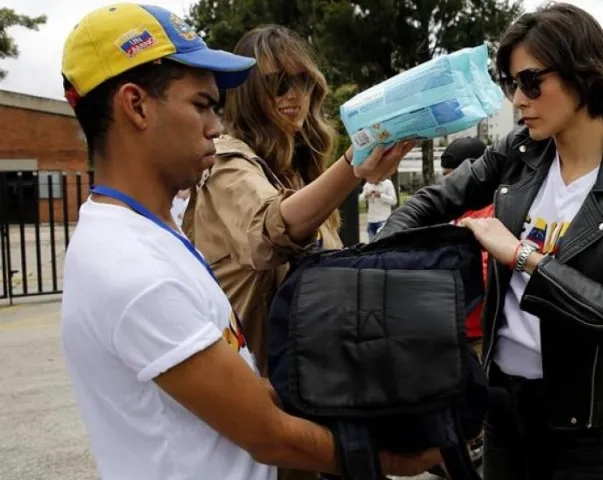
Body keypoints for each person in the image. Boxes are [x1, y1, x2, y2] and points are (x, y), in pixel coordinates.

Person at [58, 4, 437, 480]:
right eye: (201, 106)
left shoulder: (150, 235)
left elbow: (251, 391)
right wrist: (396, 460)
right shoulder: (131, 269)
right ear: (136, 106)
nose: (216, 127)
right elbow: (267, 432)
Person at [377, 3, 603, 479]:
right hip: (502, 406)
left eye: (530, 81)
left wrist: (524, 258)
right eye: (511, 85)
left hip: (587, 424)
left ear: (582, 72)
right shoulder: (520, 152)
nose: (517, 100)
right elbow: (431, 203)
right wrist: (376, 264)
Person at [183, 24, 414, 379]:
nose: (294, 95)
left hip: (308, 369)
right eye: (278, 84)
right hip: (256, 382)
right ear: (248, 93)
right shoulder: (227, 164)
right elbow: (271, 231)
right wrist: (352, 166)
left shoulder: (296, 167)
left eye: (303, 81)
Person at [441, 136, 493, 357]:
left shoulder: (493, 214)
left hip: (480, 334)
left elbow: (485, 272)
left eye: (453, 176)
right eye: (444, 176)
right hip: (449, 329)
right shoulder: (448, 209)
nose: (447, 184)